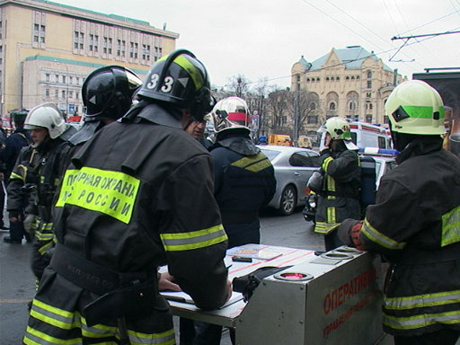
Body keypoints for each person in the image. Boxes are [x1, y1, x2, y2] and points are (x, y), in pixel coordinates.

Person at [24, 49, 231, 344]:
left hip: (55, 304)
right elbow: (196, 261)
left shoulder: (98, 138)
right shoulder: (185, 154)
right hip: (115, 318)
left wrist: (142, 274)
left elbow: (78, 227)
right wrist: (217, 293)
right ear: (191, 110)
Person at [338, 80, 460, 345]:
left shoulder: (402, 180)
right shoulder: (455, 166)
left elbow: (375, 239)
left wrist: (346, 228)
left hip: (421, 307)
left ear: (397, 126)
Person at [182, 96, 276, 345]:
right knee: (243, 299)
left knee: (210, 305)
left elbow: (201, 200)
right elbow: (268, 196)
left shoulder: (215, 157)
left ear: (220, 121)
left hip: (217, 239)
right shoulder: (263, 159)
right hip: (251, 239)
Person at [313, 117, 361, 251]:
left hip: (344, 218)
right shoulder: (331, 156)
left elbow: (334, 169)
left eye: (327, 134)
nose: (325, 138)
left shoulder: (350, 156)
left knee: (343, 257)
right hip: (328, 218)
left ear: (336, 135)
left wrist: (324, 155)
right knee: (329, 258)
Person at [1, 110, 33, 243]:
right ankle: (29, 232)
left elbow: (5, 156)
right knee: (27, 203)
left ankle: (16, 233)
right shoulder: (31, 136)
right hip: (29, 174)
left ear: (15, 122)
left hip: (13, 173)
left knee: (14, 202)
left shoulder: (13, 138)